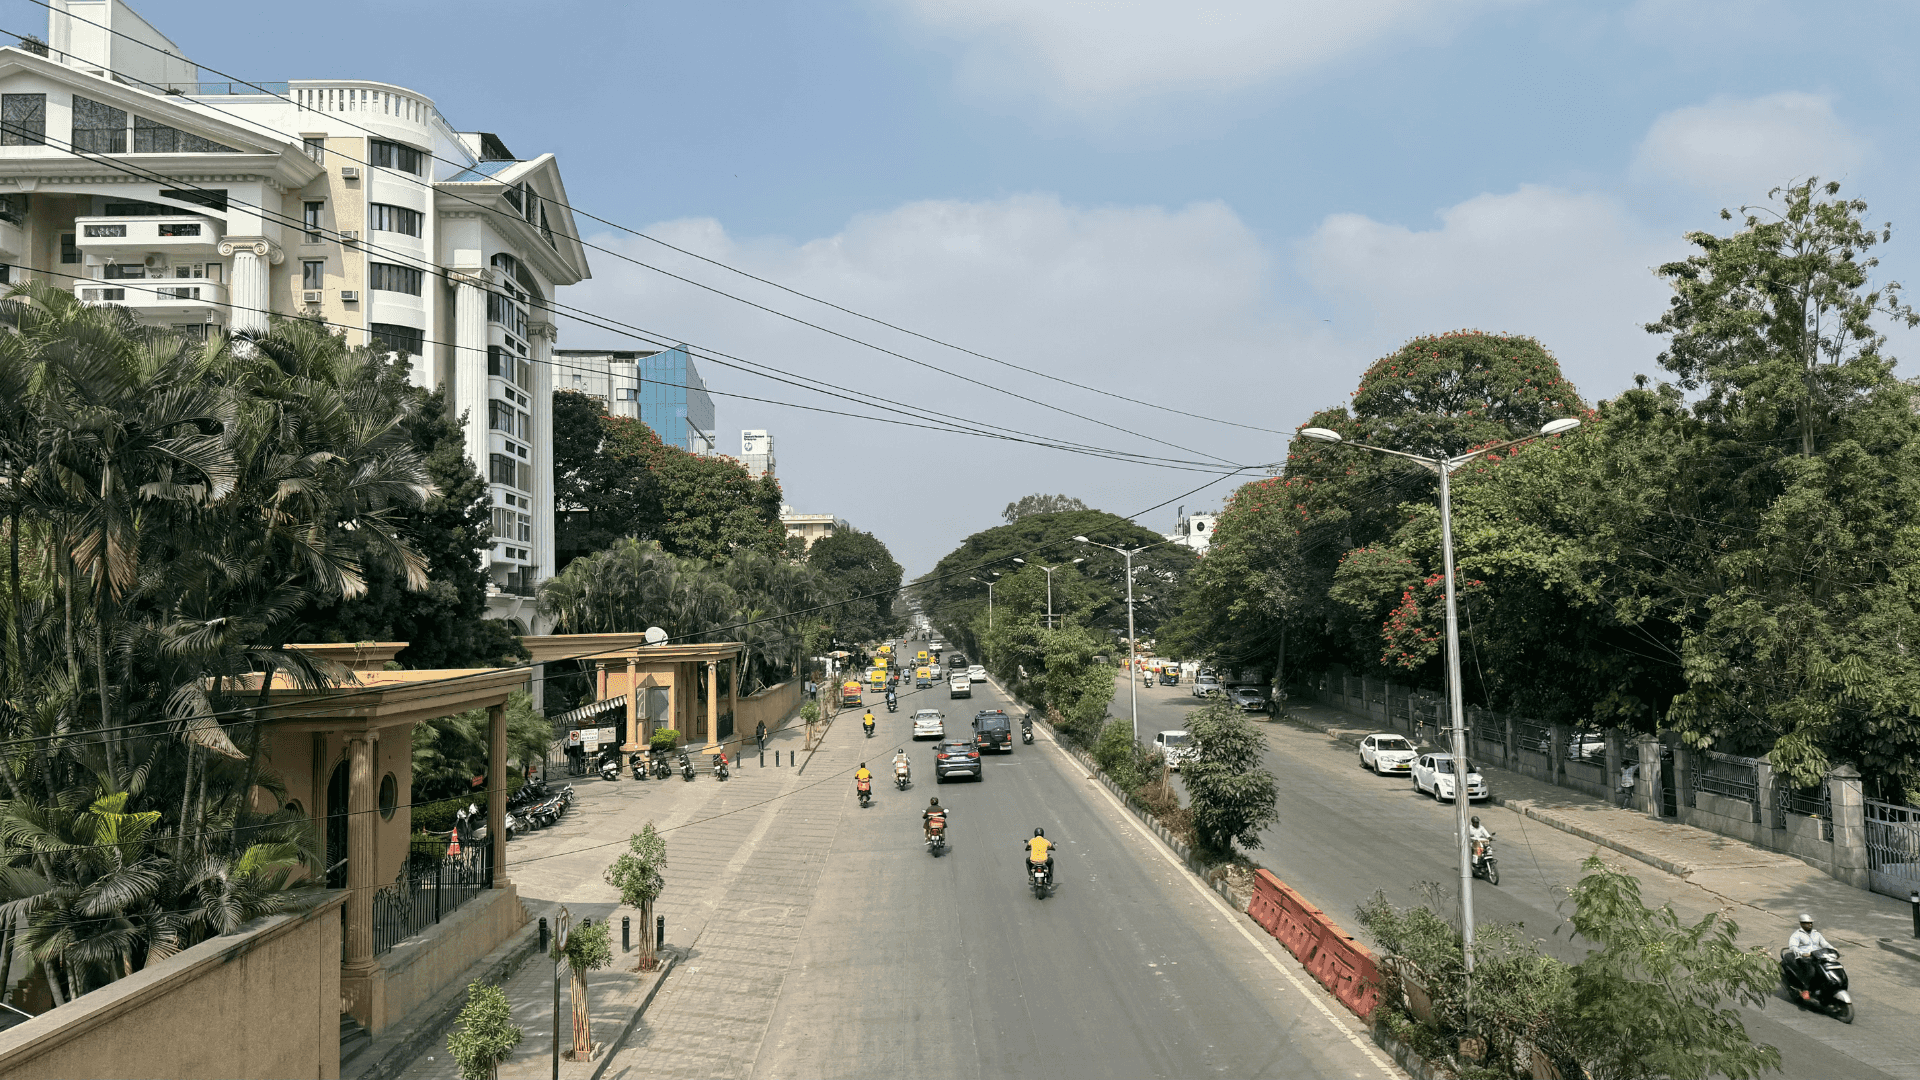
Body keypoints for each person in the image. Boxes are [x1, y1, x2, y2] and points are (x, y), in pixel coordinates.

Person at [1785, 914, 1832, 998]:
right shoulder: (1797, 935)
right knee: (1811, 970)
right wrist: (1802, 953)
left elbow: (1824, 943)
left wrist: (1832, 949)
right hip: (1804, 958)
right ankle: (1805, 990)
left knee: (1828, 967)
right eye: (1807, 923)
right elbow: (1793, 947)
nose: (1810, 925)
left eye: (1811, 923)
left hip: (1817, 956)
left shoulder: (1816, 934)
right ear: (1801, 924)